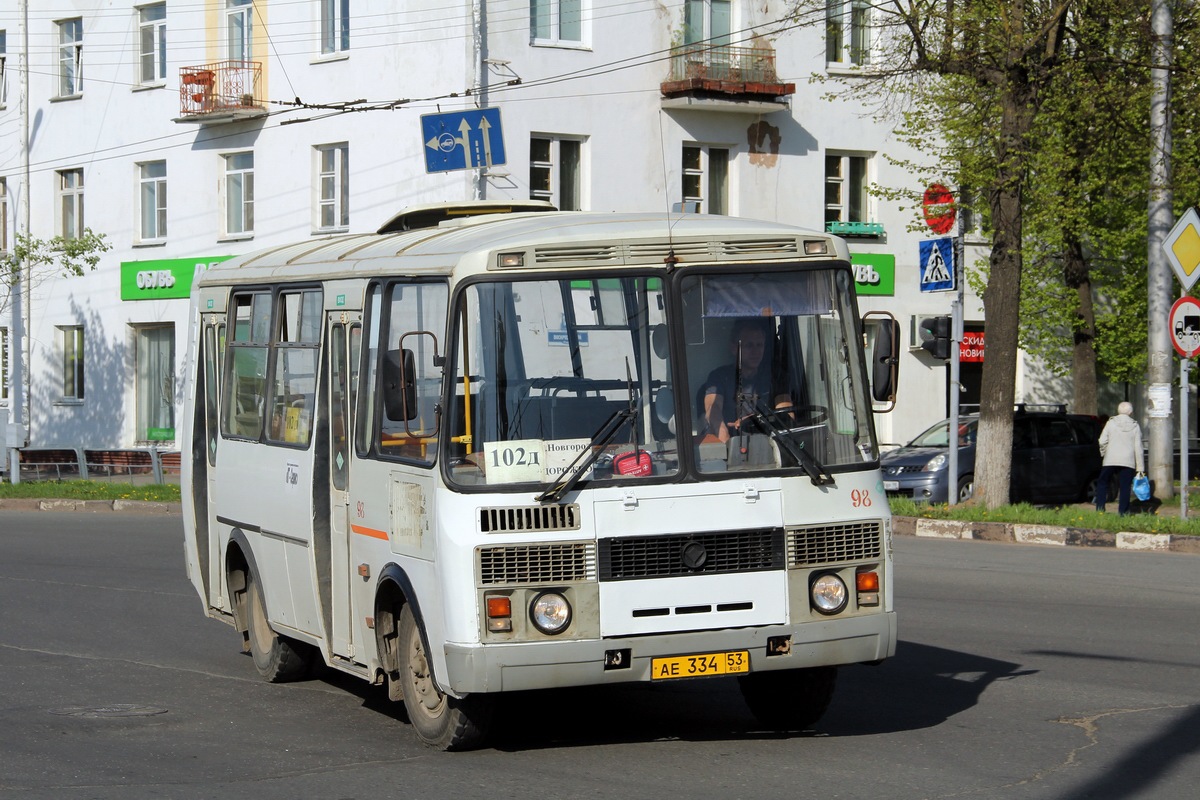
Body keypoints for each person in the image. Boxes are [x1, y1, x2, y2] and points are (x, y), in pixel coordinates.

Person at [701, 319, 790, 443]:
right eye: (749, 345)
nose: (756, 351)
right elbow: (713, 409)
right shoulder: (719, 377)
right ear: (734, 348)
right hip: (730, 443)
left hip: (766, 445)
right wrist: (725, 440)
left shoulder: (774, 376)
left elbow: (786, 414)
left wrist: (757, 420)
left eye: (759, 345)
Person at [1095, 401, 1144, 515]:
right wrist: (1140, 467)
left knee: (1102, 482)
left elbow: (1102, 441)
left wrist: (1104, 453)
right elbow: (1138, 447)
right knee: (1125, 486)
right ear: (1130, 412)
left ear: (1118, 411)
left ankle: (1100, 509)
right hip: (1128, 461)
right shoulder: (1135, 426)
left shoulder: (1111, 423)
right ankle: (1123, 512)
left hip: (1110, 459)